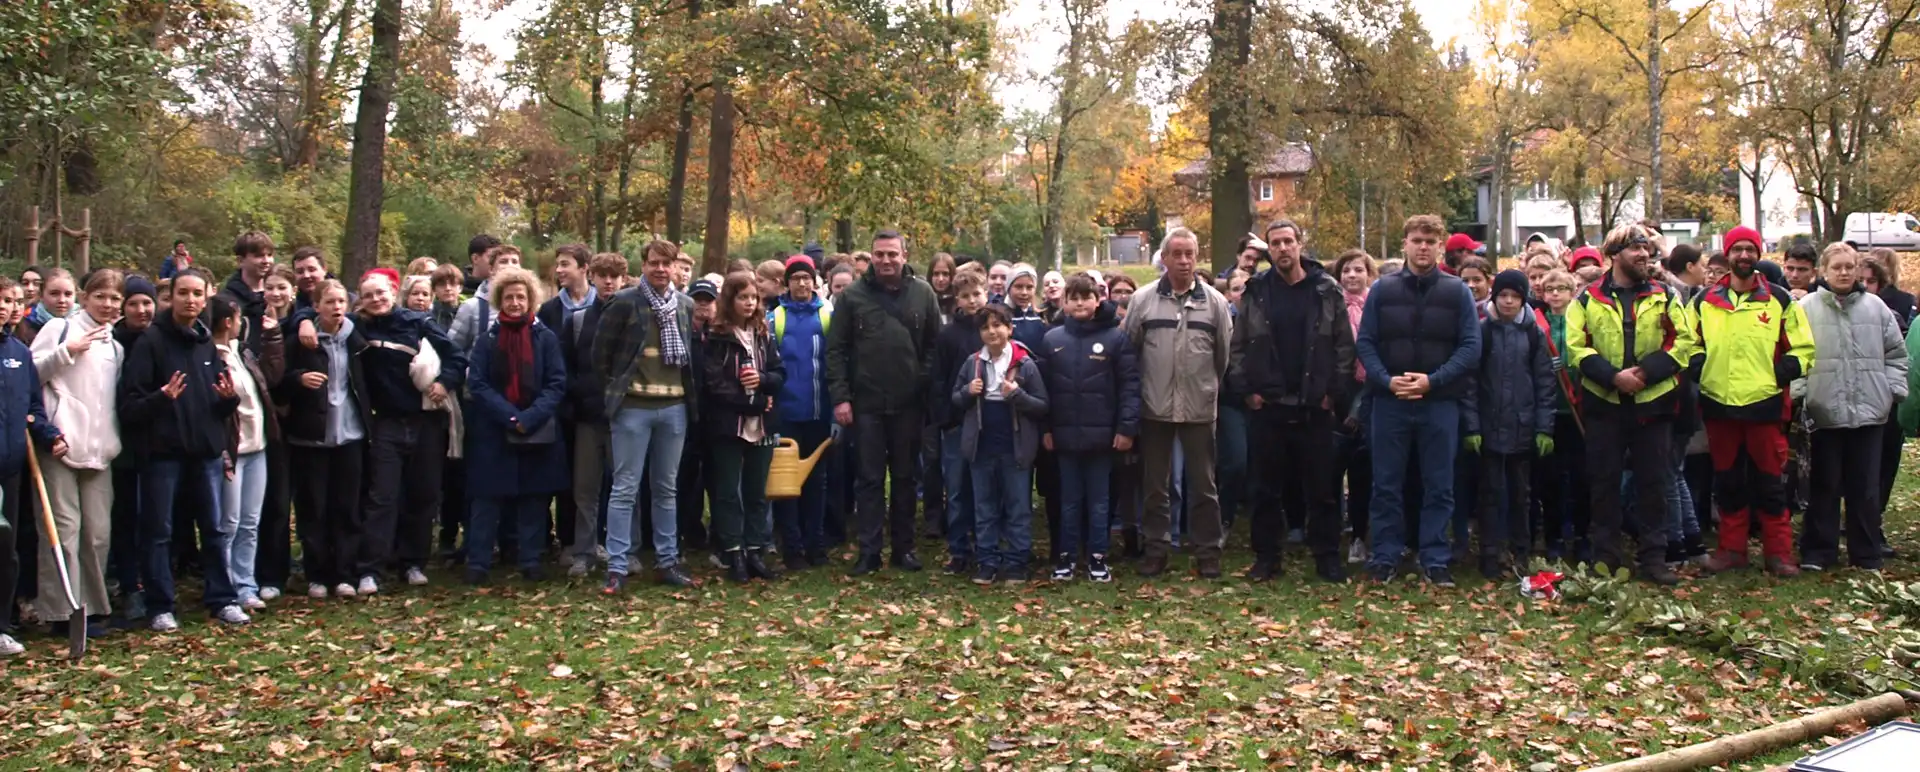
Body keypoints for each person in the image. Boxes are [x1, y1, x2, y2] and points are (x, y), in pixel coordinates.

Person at [1354, 215, 1482, 587]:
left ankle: (1435, 557)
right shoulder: (1383, 290)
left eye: (1430, 240)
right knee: (1386, 483)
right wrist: (1386, 380)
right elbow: (1366, 342)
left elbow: (1471, 346)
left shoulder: (1457, 291)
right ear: (1404, 244)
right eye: (1416, 240)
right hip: (1389, 402)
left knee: (1439, 484)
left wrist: (1433, 381)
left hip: (1439, 402)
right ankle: (1385, 555)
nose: (1423, 246)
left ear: (1440, 246)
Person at [1228, 219, 1355, 583]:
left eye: (1288, 241)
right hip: (1267, 405)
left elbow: (1344, 345)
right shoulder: (1257, 291)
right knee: (1265, 489)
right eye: (1276, 243)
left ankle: (1327, 557)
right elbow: (1239, 346)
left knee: (1322, 489)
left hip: (1315, 405)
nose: (1283, 249)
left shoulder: (1325, 289)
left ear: (1300, 244)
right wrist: (1246, 391)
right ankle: (1267, 558)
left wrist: (1334, 393)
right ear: (1269, 249)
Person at [119, 269, 247, 630]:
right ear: (171, 297)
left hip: (204, 452)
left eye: (197, 294)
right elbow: (130, 406)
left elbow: (216, 403)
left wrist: (228, 400)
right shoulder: (151, 342)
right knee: (158, 531)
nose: (190, 300)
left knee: (213, 529)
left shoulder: (206, 341)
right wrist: (161, 398)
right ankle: (160, 605)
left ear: (206, 298)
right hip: (162, 455)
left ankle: (222, 599)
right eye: (183, 293)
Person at [1564, 224, 1692, 585]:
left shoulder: (1666, 295)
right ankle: (1607, 558)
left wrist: (1648, 372)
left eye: (1647, 249)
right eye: (1636, 249)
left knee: (1654, 484)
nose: (1644, 255)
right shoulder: (1586, 299)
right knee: (1603, 485)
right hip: (1605, 404)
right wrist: (1612, 377)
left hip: (1653, 404)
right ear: (1615, 253)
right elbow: (1576, 348)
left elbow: (1683, 341)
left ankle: (1654, 558)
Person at [328, 272, 465, 592]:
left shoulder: (417, 322)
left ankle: (413, 562)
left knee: (424, 493)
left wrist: (444, 383)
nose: (376, 299)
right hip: (385, 423)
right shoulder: (357, 325)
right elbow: (320, 314)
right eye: (368, 295)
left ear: (392, 292)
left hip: (425, 421)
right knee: (382, 496)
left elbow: (455, 355)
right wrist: (304, 320)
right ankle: (370, 569)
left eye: (381, 293)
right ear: (360, 299)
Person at [1693, 226, 1816, 577]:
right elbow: (1687, 341)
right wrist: (1701, 368)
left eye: (1750, 249)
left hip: (1765, 405)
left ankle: (1779, 553)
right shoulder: (1704, 300)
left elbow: (1804, 347)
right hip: (1720, 405)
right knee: (1728, 480)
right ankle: (1732, 550)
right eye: (1737, 250)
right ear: (1727, 254)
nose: (1744, 255)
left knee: (1771, 482)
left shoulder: (1779, 299)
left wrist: (1779, 374)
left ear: (1758, 253)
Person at [826, 230, 942, 577]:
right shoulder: (853, 297)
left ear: (905, 255)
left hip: (909, 404)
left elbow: (935, 345)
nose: (886, 260)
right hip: (866, 404)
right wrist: (841, 397)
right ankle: (869, 551)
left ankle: (904, 549)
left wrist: (921, 381)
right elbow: (836, 350)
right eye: (880, 254)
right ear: (871, 257)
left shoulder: (923, 293)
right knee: (869, 479)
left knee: (906, 478)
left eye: (893, 254)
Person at [1125, 227, 1233, 579]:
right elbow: (1131, 351)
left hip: (1199, 408)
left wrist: (1204, 390)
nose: (1184, 261)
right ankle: (1156, 549)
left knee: (1204, 485)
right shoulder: (1143, 300)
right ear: (1165, 258)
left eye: (1190, 254)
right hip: (1154, 408)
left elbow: (1223, 357)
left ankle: (1207, 552)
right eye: (1177, 254)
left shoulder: (1215, 303)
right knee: (1156, 486)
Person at [592, 240, 700, 592]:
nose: (660, 269)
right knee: (625, 489)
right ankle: (618, 566)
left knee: (666, 489)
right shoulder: (624, 302)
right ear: (643, 265)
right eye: (653, 263)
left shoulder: (684, 305)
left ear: (674, 267)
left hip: (674, 408)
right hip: (633, 408)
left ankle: (668, 561)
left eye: (666, 264)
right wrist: (615, 394)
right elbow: (600, 356)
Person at [1797, 244, 1904, 572]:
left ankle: (1866, 552)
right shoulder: (1805, 308)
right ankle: (1819, 551)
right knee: (1824, 485)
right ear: (1824, 271)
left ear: (1857, 270)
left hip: (1869, 412)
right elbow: (1795, 357)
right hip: (1823, 412)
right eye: (1837, 267)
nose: (1843, 273)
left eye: (1849, 267)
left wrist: (1891, 391)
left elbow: (1896, 354)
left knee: (1865, 487)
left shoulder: (1877, 308)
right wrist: (1801, 397)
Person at [461, 267, 569, 584]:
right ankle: (478, 562)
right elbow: (477, 383)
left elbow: (556, 383)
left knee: (533, 500)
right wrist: (509, 417)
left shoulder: (545, 338)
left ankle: (530, 559)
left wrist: (529, 418)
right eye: (509, 297)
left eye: (521, 297)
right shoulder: (487, 338)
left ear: (531, 300)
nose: (515, 302)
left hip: (536, 429)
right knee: (486, 499)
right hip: (494, 430)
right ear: (499, 300)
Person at [29, 268, 118, 637]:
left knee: (97, 532)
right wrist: (67, 352)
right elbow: (30, 375)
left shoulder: (116, 345)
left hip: (100, 448)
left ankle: (92, 608)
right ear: (85, 298)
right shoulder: (60, 329)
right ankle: (61, 611)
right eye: (100, 297)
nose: (107, 304)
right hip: (59, 445)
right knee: (65, 530)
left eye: (114, 298)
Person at [1041, 274, 1138, 583]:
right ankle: (1067, 557)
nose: (1080, 302)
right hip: (1065, 436)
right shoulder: (1052, 339)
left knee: (1099, 502)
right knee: (1069, 500)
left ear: (1098, 300)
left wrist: (1126, 428)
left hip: (1103, 438)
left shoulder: (1116, 338)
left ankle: (1098, 557)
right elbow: (1044, 391)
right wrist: (1046, 429)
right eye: (1073, 297)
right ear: (1065, 303)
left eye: (1086, 296)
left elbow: (1130, 386)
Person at [1460, 270, 1556, 578]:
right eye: (1503, 296)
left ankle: (1521, 551)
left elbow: (1544, 382)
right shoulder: (1483, 332)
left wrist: (1544, 427)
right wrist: (1472, 426)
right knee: (1490, 492)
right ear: (1495, 296)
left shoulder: (1533, 333)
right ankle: (1490, 552)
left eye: (1515, 297)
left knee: (1521, 493)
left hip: (1522, 425)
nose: (1509, 302)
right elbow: (1471, 382)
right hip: (1489, 426)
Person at [281, 280, 368, 599]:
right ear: (315, 306)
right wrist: (298, 379)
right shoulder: (300, 341)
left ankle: (345, 573)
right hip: (311, 437)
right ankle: (317, 574)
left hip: (350, 435)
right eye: (329, 301)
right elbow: (278, 382)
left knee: (346, 507)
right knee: (313, 508)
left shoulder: (357, 339)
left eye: (341, 301)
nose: (336, 307)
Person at [952, 304, 1049, 584]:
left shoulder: (1024, 363)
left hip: (1015, 446)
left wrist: (1018, 395)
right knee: (984, 507)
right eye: (985, 327)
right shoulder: (973, 363)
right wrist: (967, 392)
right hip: (981, 446)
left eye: (997, 325)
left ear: (1010, 328)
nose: (992, 331)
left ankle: (1017, 561)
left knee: (1018, 506)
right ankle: (987, 560)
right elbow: (955, 400)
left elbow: (1042, 405)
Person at [701, 272, 786, 582]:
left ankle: (755, 551)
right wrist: (750, 402)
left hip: (762, 424)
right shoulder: (717, 335)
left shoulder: (763, 333)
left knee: (756, 492)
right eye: (742, 297)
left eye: (753, 297)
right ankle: (733, 552)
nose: (749, 303)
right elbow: (713, 384)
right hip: (729, 424)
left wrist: (763, 382)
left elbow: (778, 374)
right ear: (730, 300)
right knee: (727, 492)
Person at [0, 274, 63, 655]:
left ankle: (3, 625)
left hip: (10, 469)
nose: (3, 306)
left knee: (6, 549)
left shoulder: (19, 353)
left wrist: (48, 433)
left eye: (9, 300)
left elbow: (32, 408)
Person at [209, 293, 284, 610]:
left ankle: (246, 585)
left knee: (250, 522)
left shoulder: (243, 353)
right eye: (240, 319)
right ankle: (224, 589)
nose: (242, 325)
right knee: (229, 523)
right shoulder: (211, 356)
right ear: (229, 322)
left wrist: (272, 336)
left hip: (258, 448)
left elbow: (271, 377)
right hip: (231, 451)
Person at [770, 255, 833, 570]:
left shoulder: (827, 315)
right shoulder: (776, 318)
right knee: (786, 484)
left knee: (817, 481)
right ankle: (792, 548)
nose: (802, 283)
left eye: (807, 277)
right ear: (787, 282)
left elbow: (835, 362)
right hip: (786, 414)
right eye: (795, 278)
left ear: (815, 281)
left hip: (819, 413)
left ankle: (816, 545)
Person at [108, 275, 157, 618]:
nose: (141, 310)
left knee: (155, 519)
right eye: (133, 303)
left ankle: (155, 583)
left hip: (159, 445)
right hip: (121, 443)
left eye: (146, 303)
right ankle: (130, 585)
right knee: (126, 517)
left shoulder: (163, 340)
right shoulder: (112, 343)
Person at [932, 272, 987, 574]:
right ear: (957, 300)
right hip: (956, 421)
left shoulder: (994, 329)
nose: (972, 300)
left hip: (989, 421)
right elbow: (939, 379)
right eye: (965, 296)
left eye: (977, 294)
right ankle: (958, 549)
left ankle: (985, 544)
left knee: (985, 489)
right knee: (956, 488)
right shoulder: (948, 335)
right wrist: (944, 417)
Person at [1333, 249, 1376, 564]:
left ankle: (1360, 534)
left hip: (1370, 388)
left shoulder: (1377, 306)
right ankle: (1331, 531)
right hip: (1336, 390)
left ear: (1368, 274)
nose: (1351, 276)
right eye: (1346, 270)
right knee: (1331, 467)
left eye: (1358, 270)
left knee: (1363, 469)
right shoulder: (1331, 307)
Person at [451, 245, 524, 355]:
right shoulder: (472, 307)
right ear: (491, 269)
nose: (510, 266)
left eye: (514, 261)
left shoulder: (529, 307)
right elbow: (452, 349)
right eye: (503, 261)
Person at [221, 231, 275, 355]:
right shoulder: (227, 301)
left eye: (270, 255)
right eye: (259, 256)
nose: (266, 261)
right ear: (241, 260)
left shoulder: (278, 294)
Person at [17, 267, 76, 346]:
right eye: (54, 293)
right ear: (41, 295)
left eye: (68, 294)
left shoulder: (85, 324)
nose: (62, 300)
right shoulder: (24, 326)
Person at [290, 247, 331, 311]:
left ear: (324, 270)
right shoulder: (290, 307)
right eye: (300, 272)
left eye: (312, 270)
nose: (306, 275)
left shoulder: (348, 301)